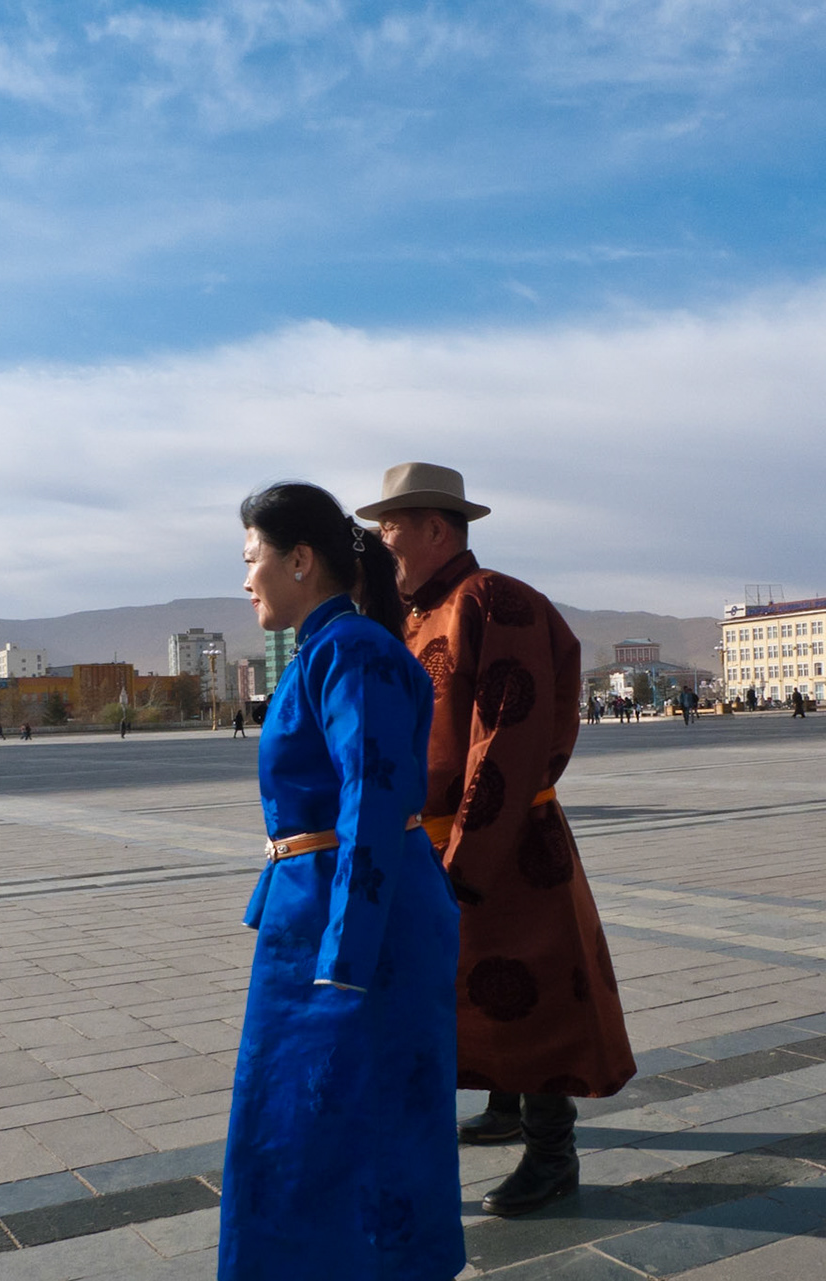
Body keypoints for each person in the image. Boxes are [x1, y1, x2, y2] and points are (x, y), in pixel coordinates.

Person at [361, 461, 636, 1219]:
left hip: (506, 841)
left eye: (391, 529)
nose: (383, 544)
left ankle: (554, 1155)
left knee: (534, 989)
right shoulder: (422, 612)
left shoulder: (494, 600)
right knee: (482, 983)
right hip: (452, 839)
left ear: (436, 528)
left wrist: (468, 856)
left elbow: (508, 734)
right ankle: (507, 1105)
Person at [220, 482, 463, 1281]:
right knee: (297, 1126)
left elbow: (375, 791)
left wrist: (347, 953)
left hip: (359, 931)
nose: (246, 578)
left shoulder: (352, 651)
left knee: (352, 1127)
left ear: (301, 559)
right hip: (319, 919)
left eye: (253, 558)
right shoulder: (323, 649)